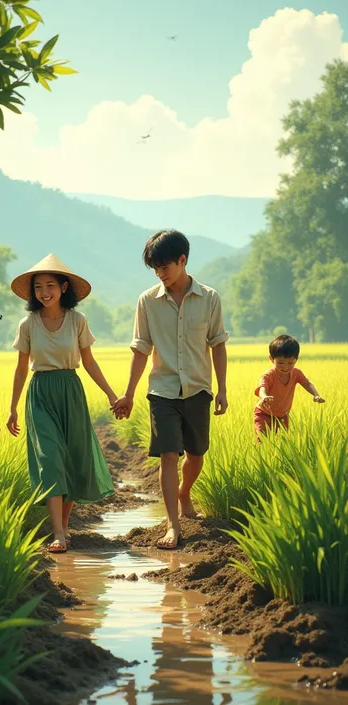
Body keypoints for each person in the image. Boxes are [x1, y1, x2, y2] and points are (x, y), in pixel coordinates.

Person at [113, 230, 229, 550]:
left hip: (198, 388)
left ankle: (184, 492)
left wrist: (222, 389)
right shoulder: (147, 301)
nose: (160, 274)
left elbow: (218, 345)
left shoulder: (209, 298)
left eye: (165, 266)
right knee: (168, 455)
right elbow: (140, 349)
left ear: (183, 261)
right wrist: (129, 393)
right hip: (162, 390)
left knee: (196, 454)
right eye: (155, 268)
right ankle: (173, 525)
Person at [7, 253, 116, 554]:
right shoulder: (27, 324)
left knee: (71, 461)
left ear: (64, 287)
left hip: (71, 391)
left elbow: (89, 362)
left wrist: (110, 393)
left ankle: (64, 529)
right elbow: (20, 368)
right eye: (39, 287)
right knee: (51, 460)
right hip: (40, 393)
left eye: (50, 285)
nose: (44, 292)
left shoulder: (77, 320)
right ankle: (57, 532)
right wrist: (13, 407)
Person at [254, 334, 325, 436]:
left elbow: (307, 383)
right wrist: (264, 397)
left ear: (296, 359)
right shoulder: (268, 375)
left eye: (290, 363)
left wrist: (316, 394)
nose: (285, 367)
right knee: (262, 440)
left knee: (283, 442)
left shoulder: (296, 373)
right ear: (271, 359)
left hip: (283, 415)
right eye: (281, 363)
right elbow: (262, 387)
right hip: (264, 414)